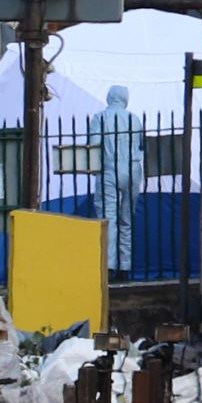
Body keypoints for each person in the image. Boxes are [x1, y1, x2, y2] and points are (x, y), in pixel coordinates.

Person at [90, 85, 144, 282]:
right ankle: (125, 266)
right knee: (126, 219)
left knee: (109, 218)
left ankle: (110, 265)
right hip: (132, 169)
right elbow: (141, 145)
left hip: (108, 168)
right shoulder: (134, 118)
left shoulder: (99, 118)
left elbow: (94, 144)